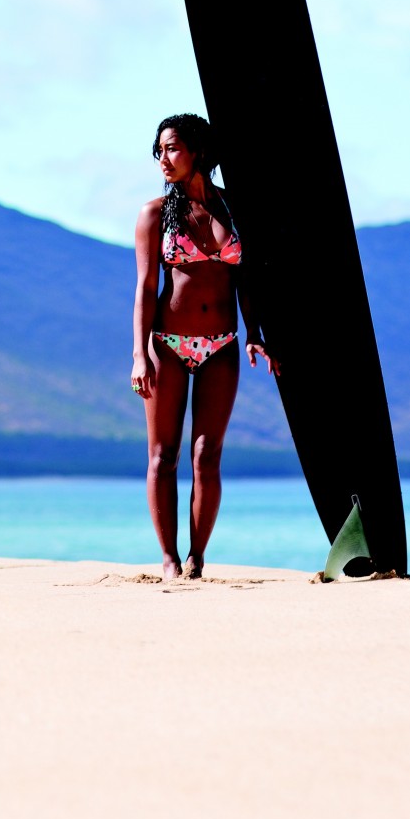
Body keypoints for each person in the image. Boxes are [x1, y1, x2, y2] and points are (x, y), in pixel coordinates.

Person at [130, 113, 278, 580]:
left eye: (172, 148)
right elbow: (145, 288)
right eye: (159, 151)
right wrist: (139, 355)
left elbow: (246, 280)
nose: (164, 159)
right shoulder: (155, 214)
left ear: (197, 150)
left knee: (206, 456)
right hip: (167, 345)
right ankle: (169, 560)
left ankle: (196, 558)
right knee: (163, 457)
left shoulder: (234, 208)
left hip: (222, 344)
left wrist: (255, 334)